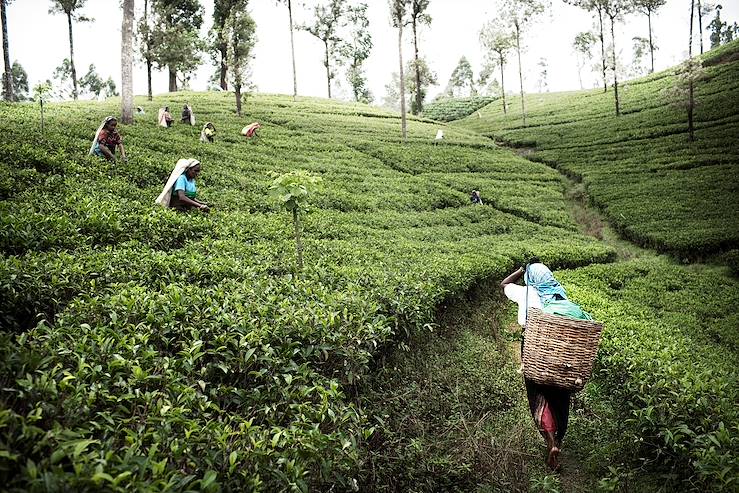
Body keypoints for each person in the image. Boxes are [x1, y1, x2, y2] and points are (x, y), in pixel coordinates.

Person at [500, 257, 591, 471]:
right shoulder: (560, 297)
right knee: (560, 397)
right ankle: (558, 442)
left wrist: (523, 270)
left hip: (535, 351)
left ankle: (550, 441)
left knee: (538, 395)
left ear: (531, 278)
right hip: (563, 354)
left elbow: (504, 284)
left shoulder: (525, 293)